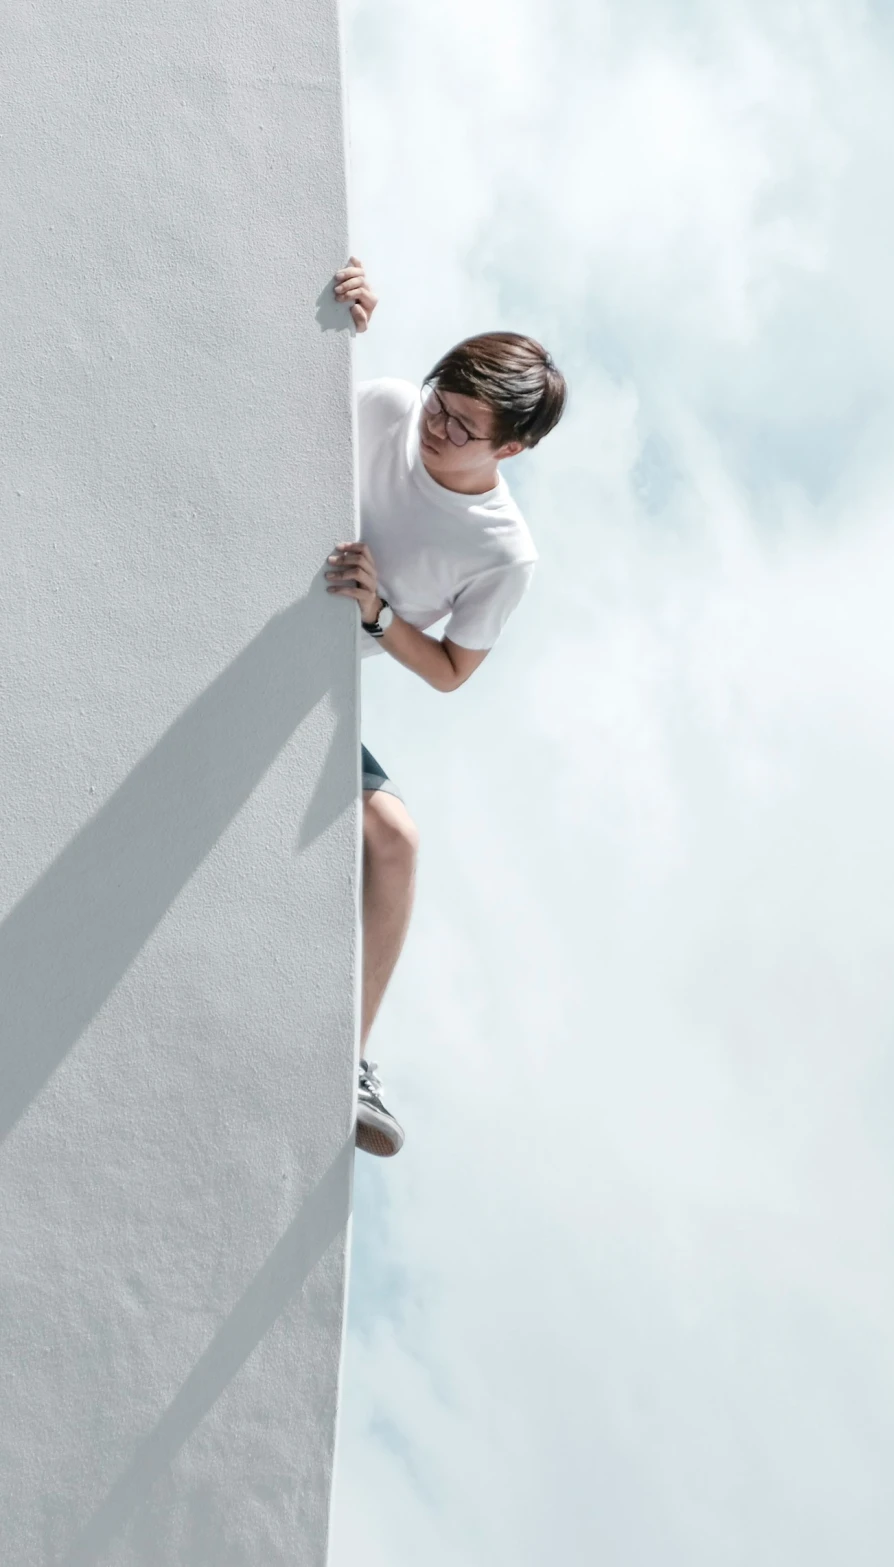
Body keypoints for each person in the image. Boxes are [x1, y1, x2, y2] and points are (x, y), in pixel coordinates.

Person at [321, 257, 565, 1157]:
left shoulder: (503, 552)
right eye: (439, 400)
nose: (435, 425)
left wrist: (380, 613)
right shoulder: (387, 404)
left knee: (397, 841)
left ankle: (348, 1059)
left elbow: (455, 667)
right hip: (241, 599)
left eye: (462, 425)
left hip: (314, 674)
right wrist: (330, 317)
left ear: (510, 448)